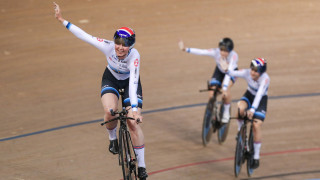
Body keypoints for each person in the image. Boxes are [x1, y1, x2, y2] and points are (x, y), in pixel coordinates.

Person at [53, 2, 148, 179]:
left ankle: (142, 165)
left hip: (129, 84)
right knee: (109, 111)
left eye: (124, 45)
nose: (120, 48)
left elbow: (134, 83)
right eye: (118, 44)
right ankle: (113, 139)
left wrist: (134, 111)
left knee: (132, 123)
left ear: (131, 46)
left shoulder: (135, 56)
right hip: (111, 78)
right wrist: (62, 20)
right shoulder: (107, 46)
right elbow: (85, 36)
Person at [222, 57, 270, 169]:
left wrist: (252, 110)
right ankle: (240, 132)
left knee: (256, 124)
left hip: (260, 100)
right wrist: (226, 69)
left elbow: (258, 95)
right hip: (249, 95)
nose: (252, 72)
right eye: (252, 69)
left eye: (256, 71)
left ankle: (256, 156)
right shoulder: (246, 73)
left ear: (261, 72)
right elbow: (232, 72)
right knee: (239, 109)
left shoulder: (265, 79)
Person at [178, 38, 238, 124]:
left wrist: (224, 88)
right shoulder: (216, 52)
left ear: (230, 51)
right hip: (219, 71)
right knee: (211, 94)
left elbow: (228, 74)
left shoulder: (234, 56)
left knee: (226, 92)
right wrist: (186, 49)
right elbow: (202, 52)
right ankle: (214, 110)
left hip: (231, 73)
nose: (223, 53)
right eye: (221, 50)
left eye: (226, 51)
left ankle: (226, 112)